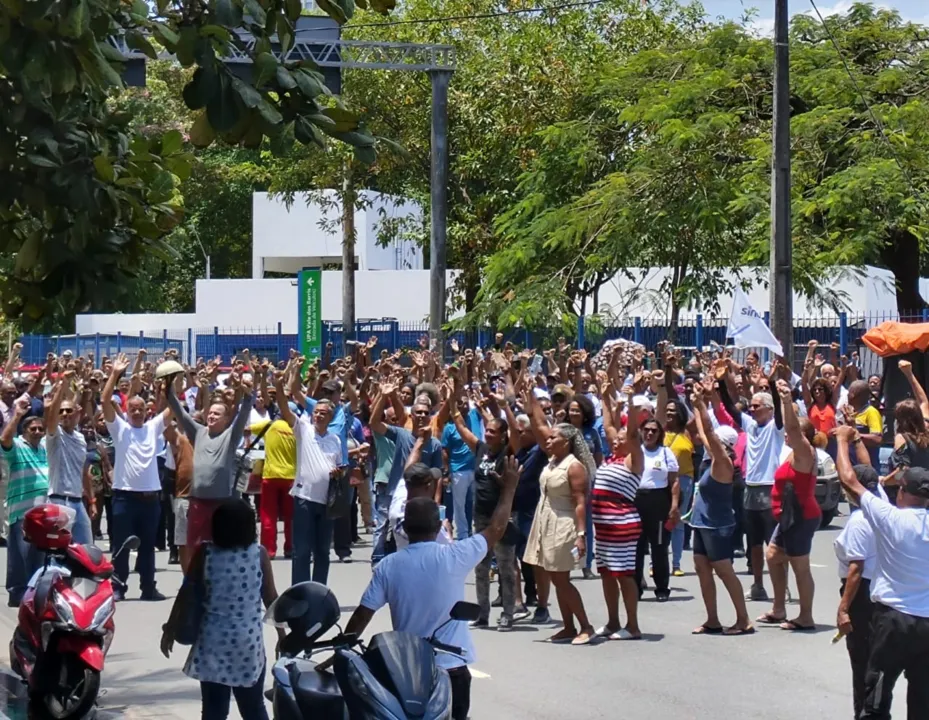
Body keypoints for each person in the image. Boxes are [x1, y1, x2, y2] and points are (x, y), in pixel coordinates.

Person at [341, 456, 522, 720]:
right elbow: (496, 528)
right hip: (452, 670)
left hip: (406, 670)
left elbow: (362, 614)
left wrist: (342, 649)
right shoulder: (454, 556)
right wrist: (510, 488)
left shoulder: (388, 566)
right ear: (439, 526)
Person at [834, 425, 929, 720]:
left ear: (902, 491)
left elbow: (850, 481)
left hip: (892, 623)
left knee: (875, 701)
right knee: (923, 704)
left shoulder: (889, 518)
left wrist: (840, 440)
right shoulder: (894, 515)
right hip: (926, 623)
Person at [160, 499, 282, 720]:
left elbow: (186, 593)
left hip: (212, 645)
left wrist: (170, 629)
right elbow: (272, 599)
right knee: (253, 708)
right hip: (247, 646)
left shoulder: (205, 553)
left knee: (214, 710)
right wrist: (283, 635)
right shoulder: (259, 554)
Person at [523, 389, 597, 645]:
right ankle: (568, 627)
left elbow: (580, 502)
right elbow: (540, 425)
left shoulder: (574, 466)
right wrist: (530, 403)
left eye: (554, 438)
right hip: (545, 521)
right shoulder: (553, 461)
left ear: (566, 441)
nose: (548, 441)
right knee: (555, 578)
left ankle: (585, 626)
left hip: (563, 524)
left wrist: (581, 535)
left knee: (562, 580)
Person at [101, 354, 170, 601]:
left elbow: (173, 409)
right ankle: (118, 587)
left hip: (151, 499)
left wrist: (171, 383)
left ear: (146, 410)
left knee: (148, 547)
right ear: (127, 410)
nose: (138, 412)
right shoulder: (120, 429)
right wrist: (115, 374)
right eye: (133, 409)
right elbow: (105, 400)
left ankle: (148, 587)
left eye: (141, 409)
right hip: (124, 498)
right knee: (121, 545)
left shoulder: (153, 428)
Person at [688, 382, 753, 636]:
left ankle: (743, 619)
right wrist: (695, 404)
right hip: (701, 523)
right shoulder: (712, 457)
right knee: (702, 569)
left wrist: (703, 405)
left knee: (724, 571)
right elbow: (706, 435)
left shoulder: (723, 464)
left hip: (717, 525)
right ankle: (712, 619)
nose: (706, 443)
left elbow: (710, 434)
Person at [166, 368, 253, 550]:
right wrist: (169, 390)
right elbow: (180, 412)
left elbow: (243, 414)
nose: (212, 416)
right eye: (210, 413)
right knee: (195, 549)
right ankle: (194, 579)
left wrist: (247, 396)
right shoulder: (198, 432)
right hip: (197, 503)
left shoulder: (230, 436)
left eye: (217, 414)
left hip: (222, 505)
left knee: (222, 547)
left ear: (225, 418)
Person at [757, 380, 820, 630]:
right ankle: (779, 608)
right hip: (788, 517)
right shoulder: (792, 453)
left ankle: (806, 616)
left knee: (800, 566)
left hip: (801, 517)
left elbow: (792, 428)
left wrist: (786, 401)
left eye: (791, 433)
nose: (785, 434)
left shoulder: (805, 451)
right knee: (773, 556)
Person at [449, 406, 518, 631]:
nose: (487, 435)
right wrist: (452, 403)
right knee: (481, 567)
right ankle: (483, 614)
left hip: (502, 519)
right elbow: (461, 427)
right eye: (486, 431)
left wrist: (505, 405)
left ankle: (508, 614)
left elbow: (516, 431)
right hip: (481, 519)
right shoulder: (480, 450)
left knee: (506, 568)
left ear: (503, 435)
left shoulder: (508, 452)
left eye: (492, 432)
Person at [718, 369, 784, 602]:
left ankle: (780, 588)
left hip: (769, 488)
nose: (752, 409)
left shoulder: (776, 427)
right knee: (754, 542)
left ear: (769, 409)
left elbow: (777, 403)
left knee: (772, 543)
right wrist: (720, 381)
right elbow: (730, 408)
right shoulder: (750, 425)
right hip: (751, 488)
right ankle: (758, 585)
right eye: (752, 406)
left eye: (757, 406)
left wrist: (773, 384)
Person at [276, 373, 342, 586]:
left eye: (324, 413)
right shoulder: (303, 429)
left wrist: (339, 473)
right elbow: (285, 410)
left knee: (323, 551)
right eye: (317, 412)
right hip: (304, 498)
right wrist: (279, 386)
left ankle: (319, 591)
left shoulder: (335, 440)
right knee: (302, 551)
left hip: (327, 503)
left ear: (330, 417)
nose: (319, 415)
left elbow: (339, 467)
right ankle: (300, 591)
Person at [368, 382, 443, 565]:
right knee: (389, 534)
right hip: (395, 495)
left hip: (421, 501)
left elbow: (438, 476)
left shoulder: (434, 445)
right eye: (418, 412)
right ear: (411, 415)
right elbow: (374, 423)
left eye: (426, 413)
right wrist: (384, 396)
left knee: (414, 542)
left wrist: (436, 503)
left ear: (431, 417)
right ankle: (381, 564)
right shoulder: (401, 434)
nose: (422, 416)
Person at [833, 433, 881, 719]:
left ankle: (863, 713)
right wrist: (855, 440)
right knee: (874, 657)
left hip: (860, 595)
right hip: (878, 591)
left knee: (861, 660)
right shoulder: (882, 504)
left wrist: (843, 608)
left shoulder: (858, 522)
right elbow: (864, 469)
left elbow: (855, 568)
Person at [592, 384, 644, 640]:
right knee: (607, 574)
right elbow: (609, 424)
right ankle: (613, 622)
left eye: (620, 441)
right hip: (603, 527)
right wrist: (604, 396)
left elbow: (631, 432)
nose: (615, 442)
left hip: (622, 526)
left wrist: (631, 400)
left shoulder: (633, 459)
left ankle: (632, 625)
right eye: (614, 440)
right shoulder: (612, 457)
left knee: (623, 575)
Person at [1, 400, 47, 606]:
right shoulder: (18, 446)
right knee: (20, 557)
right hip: (22, 512)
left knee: (38, 557)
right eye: (33, 429)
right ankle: (17, 593)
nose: (37, 432)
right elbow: (5, 439)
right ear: (25, 431)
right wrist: (17, 416)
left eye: (40, 429)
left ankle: (33, 593)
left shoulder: (44, 448)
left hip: (43, 513)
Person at [44, 371, 94, 545]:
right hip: (58, 500)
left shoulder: (80, 438)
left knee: (86, 549)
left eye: (69, 411)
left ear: (77, 415)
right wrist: (63, 386)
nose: (64, 414)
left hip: (78, 502)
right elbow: (50, 417)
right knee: (57, 551)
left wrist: (92, 500)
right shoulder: (54, 435)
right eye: (61, 411)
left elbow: (83, 470)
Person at [250, 376, 296, 559]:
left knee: (268, 516)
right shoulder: (299, 428)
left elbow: (248, 429)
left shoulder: (271, 425)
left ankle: (269, 551)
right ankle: (290, 548)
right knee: (290, 518)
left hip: (270, 476)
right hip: (291, 477)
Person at [634, 416, 679, 602]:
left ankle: (662, 588)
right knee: (635, 547)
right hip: (636, 500)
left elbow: (674, 481)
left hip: (658, 500)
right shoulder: (636, 452)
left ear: (660, 433)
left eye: (654, 430)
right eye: (646, 429)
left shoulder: (665, 453)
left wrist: (674, 506)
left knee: (659, 546)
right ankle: (635, 588)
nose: (650, 433)